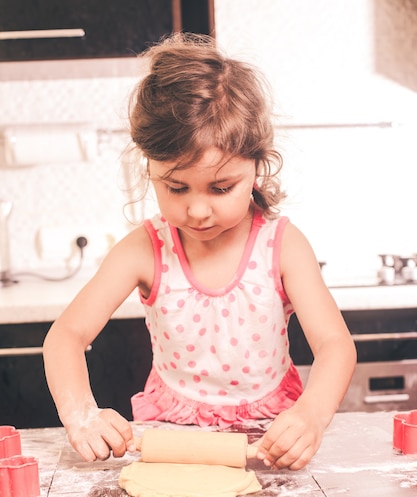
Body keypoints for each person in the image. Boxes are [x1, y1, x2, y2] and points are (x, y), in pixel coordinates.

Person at [43, 33, 356, 470]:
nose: (196, 209)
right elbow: (65, 337)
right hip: (172, 438)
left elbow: (335, 344)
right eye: (176, 187)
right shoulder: (144, 249)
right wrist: (82, 416)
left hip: (268, 434)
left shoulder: (282, 245)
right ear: (149, 168)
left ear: (257, 168)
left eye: (221, 187)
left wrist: (312, 415)